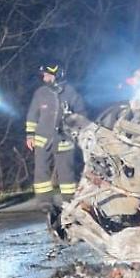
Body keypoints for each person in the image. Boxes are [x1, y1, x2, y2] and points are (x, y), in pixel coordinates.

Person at [25, 62, 85, 205]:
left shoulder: (71, 93)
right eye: (44, 75)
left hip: (65, 139)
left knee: (66, 173)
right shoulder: (40, 93)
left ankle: (69, 201)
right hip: (42, 139)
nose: (45, 78)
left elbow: (81, 114)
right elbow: (32, 115)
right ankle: (45, 201)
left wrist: (76, 131)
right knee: (41, 172)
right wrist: (29, 135)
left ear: (57, 75)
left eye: (48, 75)